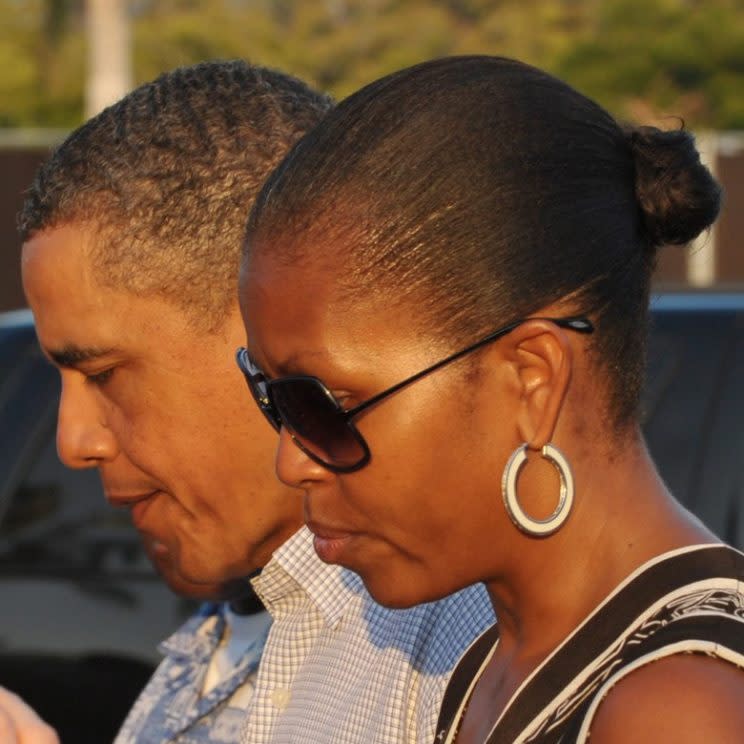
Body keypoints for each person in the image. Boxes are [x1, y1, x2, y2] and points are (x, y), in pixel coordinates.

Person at [238, 55, 744, 743]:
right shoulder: (497, 667)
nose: (292, 464)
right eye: (273, 399)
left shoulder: (677, 709)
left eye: (322, 404)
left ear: (531, 381)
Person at [19, 60, 494, 744]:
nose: (73, 440)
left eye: (104, 374)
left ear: (271, 331)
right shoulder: (224, 629)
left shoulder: (458, 650)